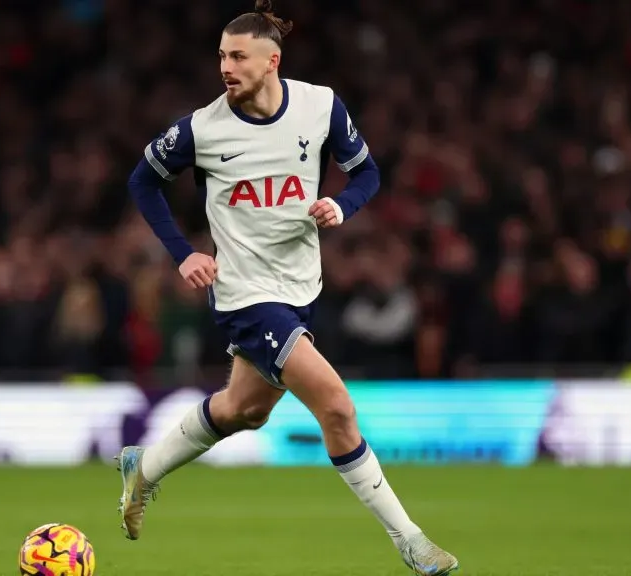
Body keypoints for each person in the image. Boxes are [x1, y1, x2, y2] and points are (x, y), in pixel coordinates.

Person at [119, 2, 460, 574]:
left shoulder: (320, 106)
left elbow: (369, 173)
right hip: (245, 295)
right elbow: (142, 182)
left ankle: (144, 468)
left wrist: (341, 205)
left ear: (271, 60)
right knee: (337, 407)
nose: (225, 66)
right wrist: (183, 255)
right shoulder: (201, 128)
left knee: (243, 411)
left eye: (237, 55)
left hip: (299, 287)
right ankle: (413, 542)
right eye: (221, 56)